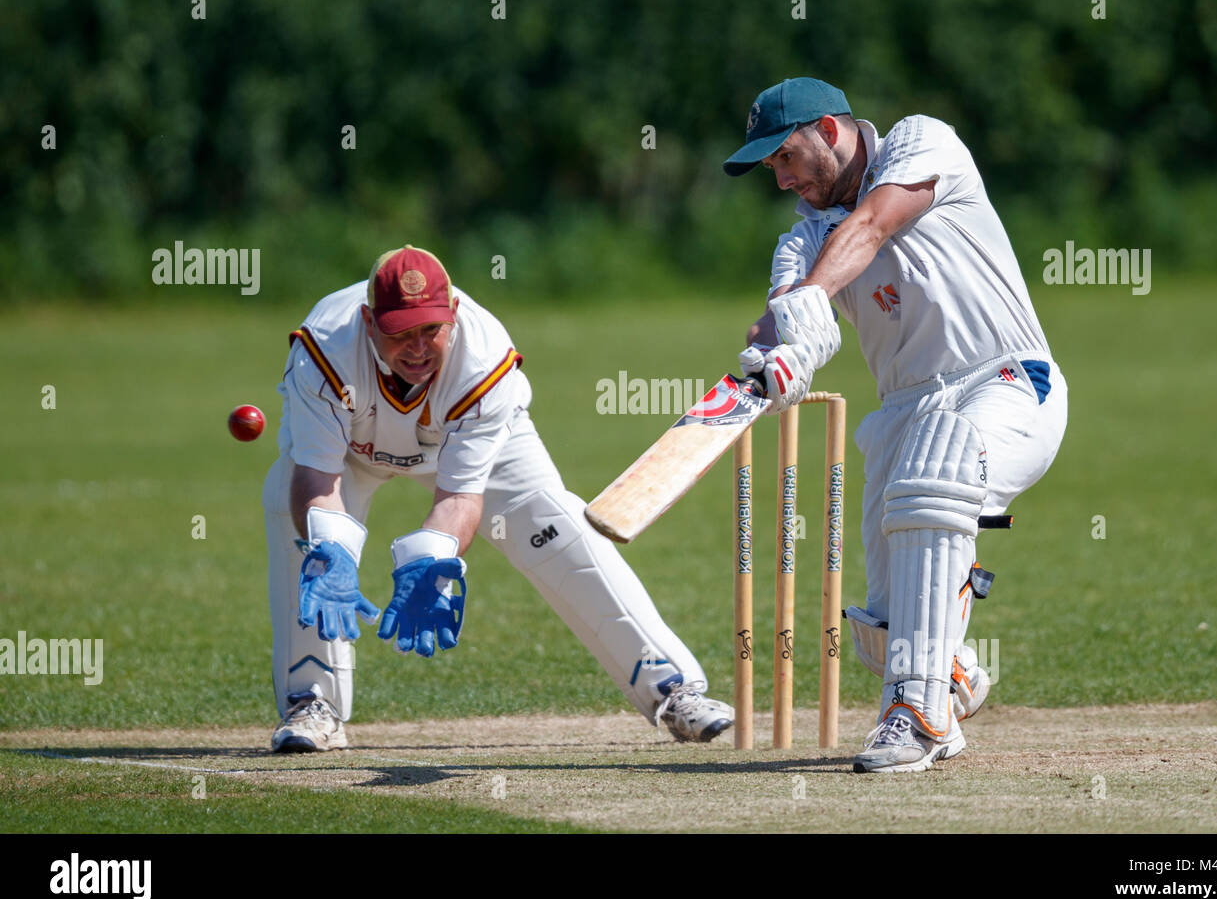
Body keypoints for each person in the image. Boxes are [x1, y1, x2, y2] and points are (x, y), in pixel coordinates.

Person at [723, 78, 1067, 773]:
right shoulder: (802, 239)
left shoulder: (920, 141)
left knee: (934, 476)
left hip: (1003, 378)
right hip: (904, 411)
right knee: (882, 628)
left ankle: (918, 713)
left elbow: (872, 227)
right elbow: (786, 317)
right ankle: (951, 673)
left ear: (828, 128)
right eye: (770, 168)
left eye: (786, 156)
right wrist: (777, 358)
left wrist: (805, 309)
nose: (782, 177)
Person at [262, 245, 733, 751]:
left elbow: (461, 497)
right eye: (401, 332)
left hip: (465, 437)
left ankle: (672, 688)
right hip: (349, 448)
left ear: (455, 316)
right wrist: (329, 551)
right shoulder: (324, 349)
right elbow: (316, 477)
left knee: (554, 524)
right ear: (368, 321)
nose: (418, 348)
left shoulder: (483, 360)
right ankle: (311, 705)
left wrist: (434, 560)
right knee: (308, 540)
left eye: (431, 330)